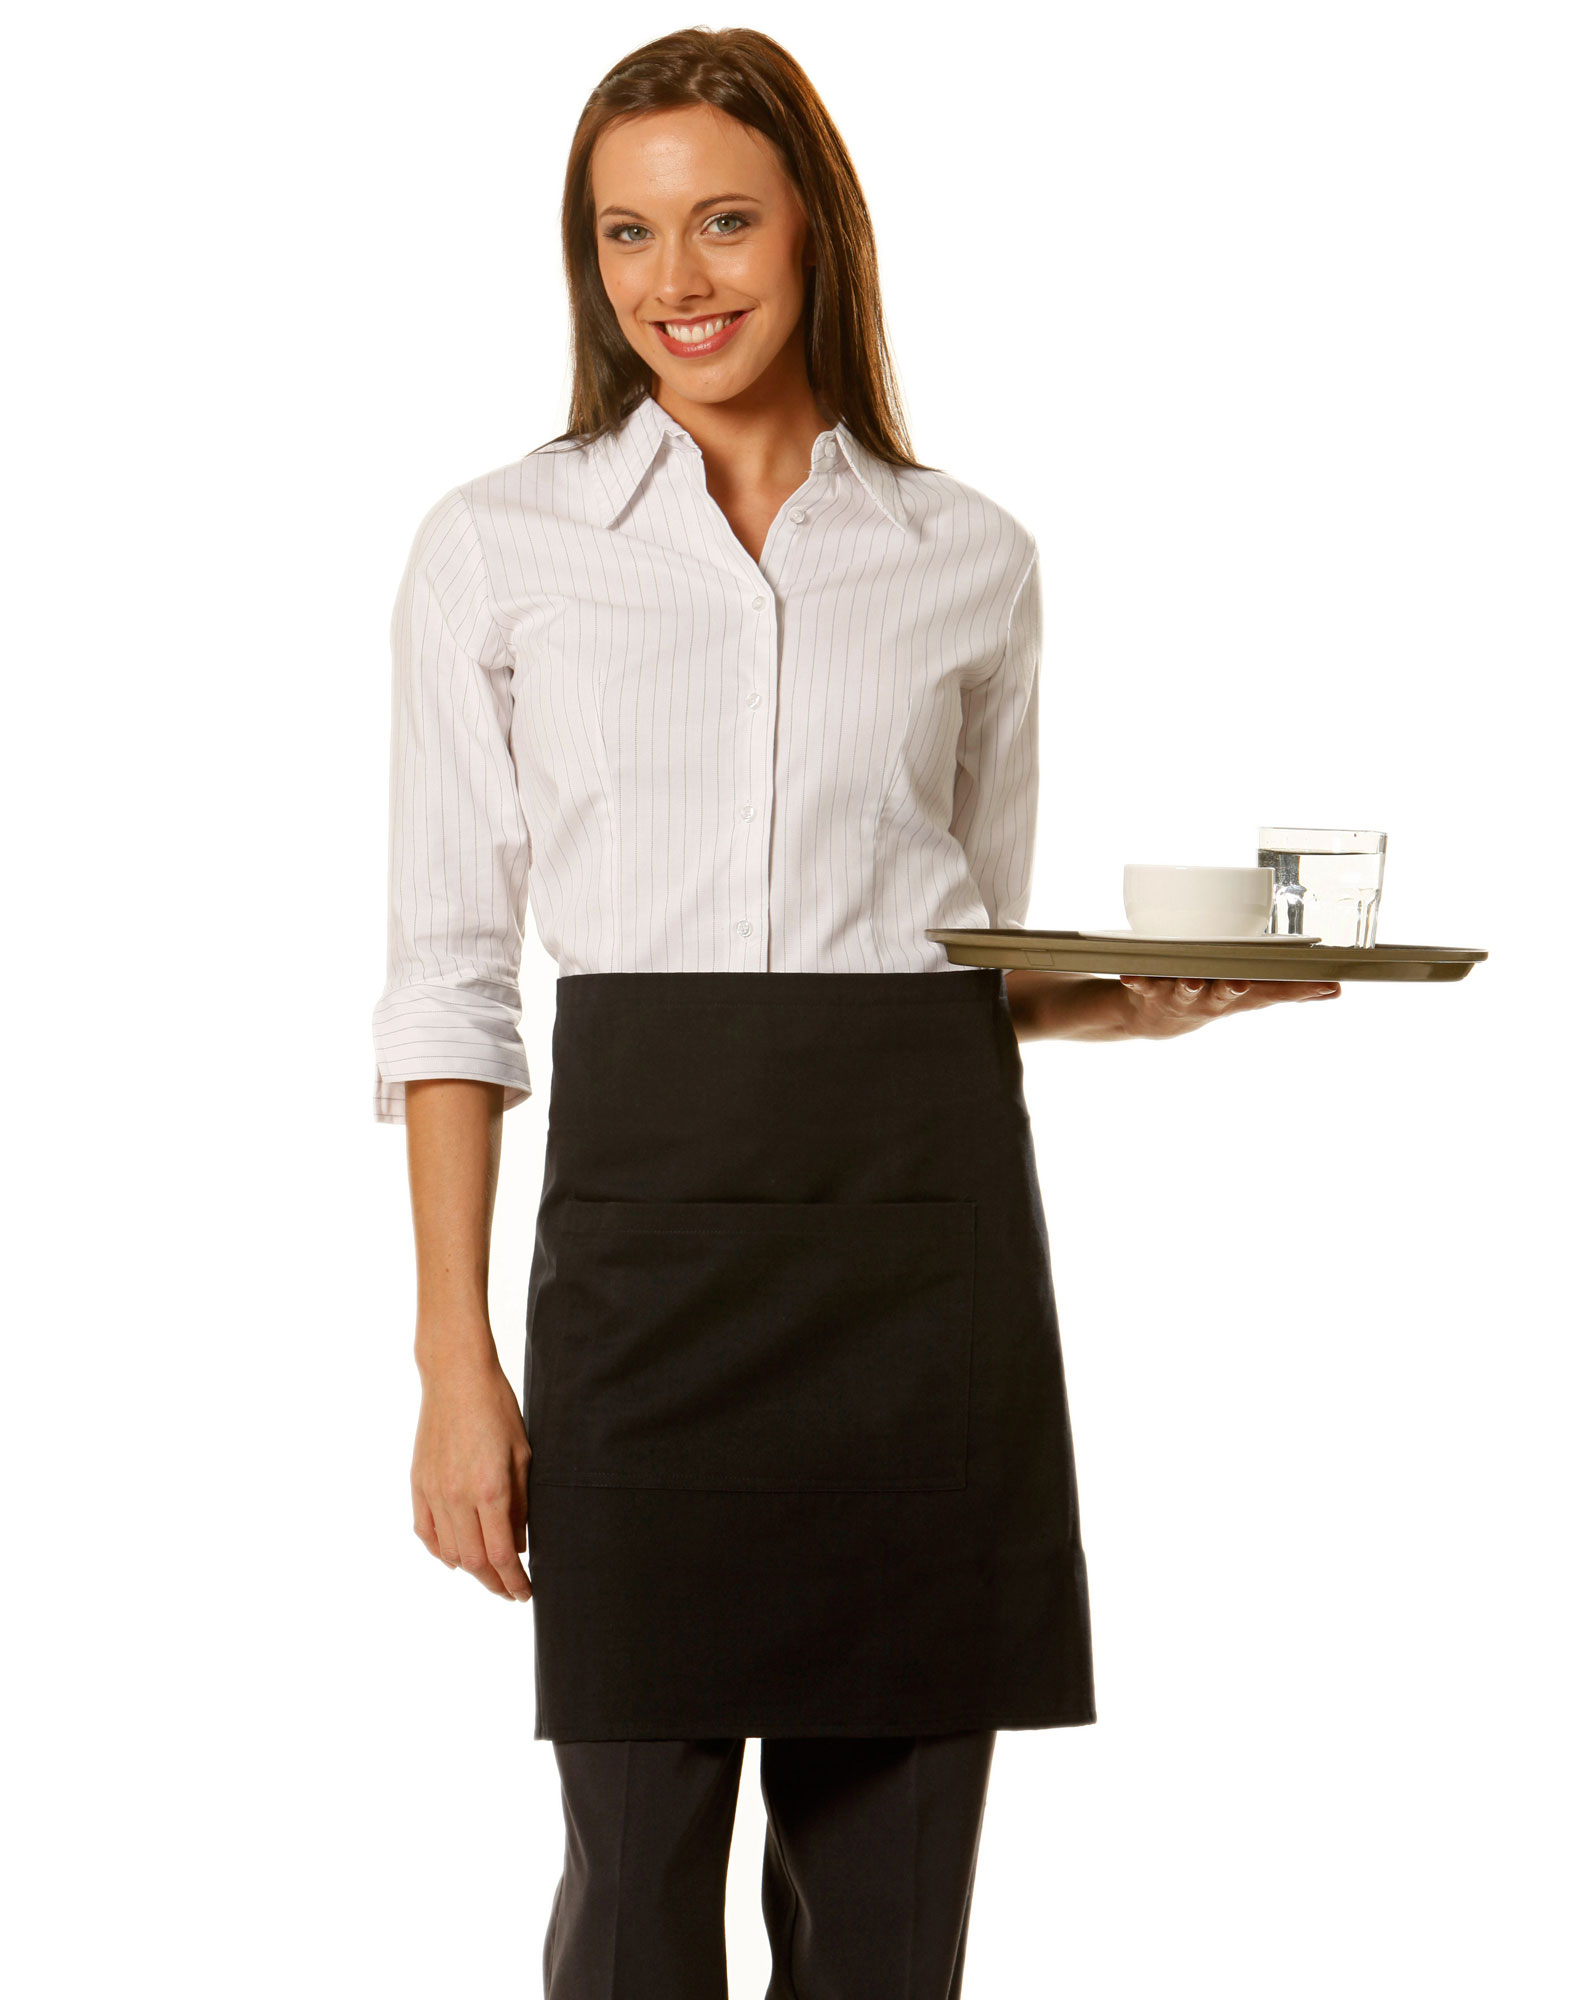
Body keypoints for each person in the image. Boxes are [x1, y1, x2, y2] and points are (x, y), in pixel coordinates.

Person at [371, 27, 1342, 1998]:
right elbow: (450, 981)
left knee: (891, 1925)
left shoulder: (966, 556)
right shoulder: (497, 546)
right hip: (641, 1287)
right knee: (631, 1901)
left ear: (817, 230)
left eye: (723, 220)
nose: (675, 278)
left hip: (919, 1280)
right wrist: (453, 1361)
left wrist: (1133, 1007)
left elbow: (955, 956)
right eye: (626, 232)